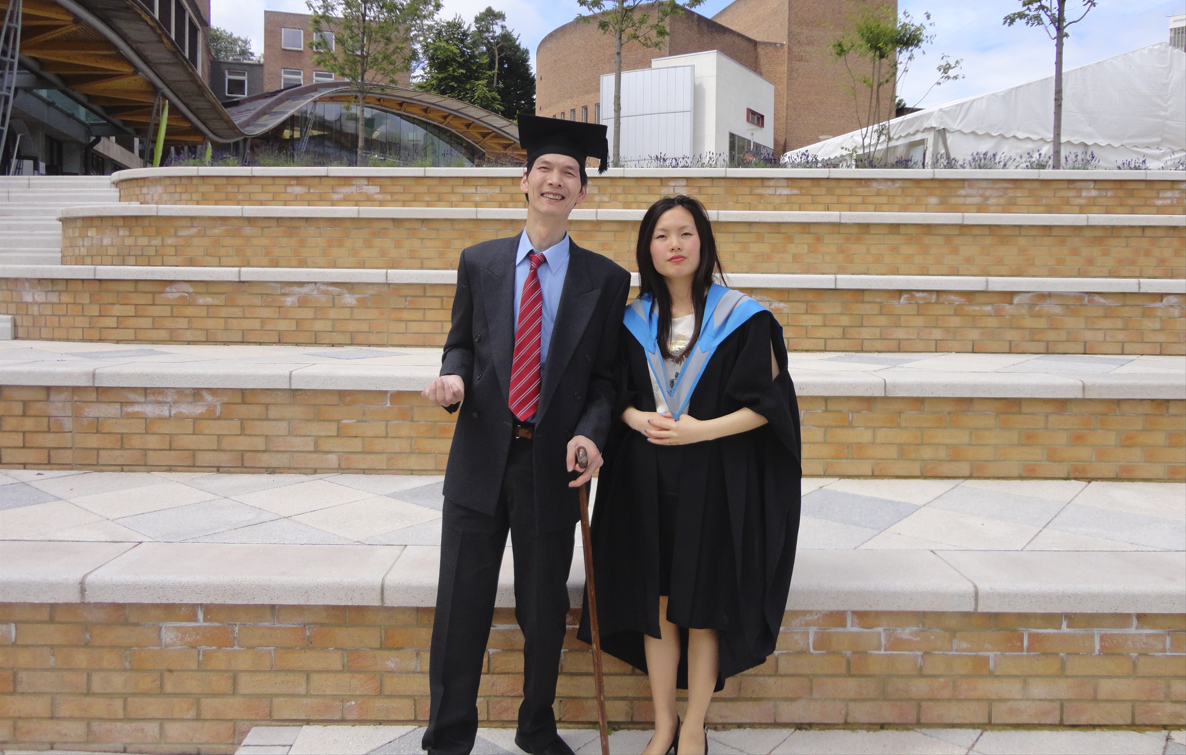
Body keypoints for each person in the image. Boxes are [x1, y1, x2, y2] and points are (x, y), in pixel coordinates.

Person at [419, 116, 631, 755]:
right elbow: (460, 343)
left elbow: (606, 381)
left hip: (551, 466)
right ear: (525, 180)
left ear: (582, 192)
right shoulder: (479, 262)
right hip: (480, 458)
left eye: (569, 173)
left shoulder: (606, 279)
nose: (555, 180)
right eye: (545, 169)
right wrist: (453, 377)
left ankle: (536, 727)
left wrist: (592, 435)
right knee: (461, 606)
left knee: (543, 610)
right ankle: (448, 736)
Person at [579, 195, 802, 755]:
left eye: (685, 233)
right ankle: (664, 724)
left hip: (713, 480)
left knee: (703, 610)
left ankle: (695, 725)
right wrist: (634, 417)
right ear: (647, 249)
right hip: (644, 482)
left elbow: (770, 407)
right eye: (661, 235)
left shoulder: (745, 319)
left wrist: (701, 431)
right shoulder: (630, 321)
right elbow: (612, 392)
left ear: (703, 242)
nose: (673, 245)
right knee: (656, 607)